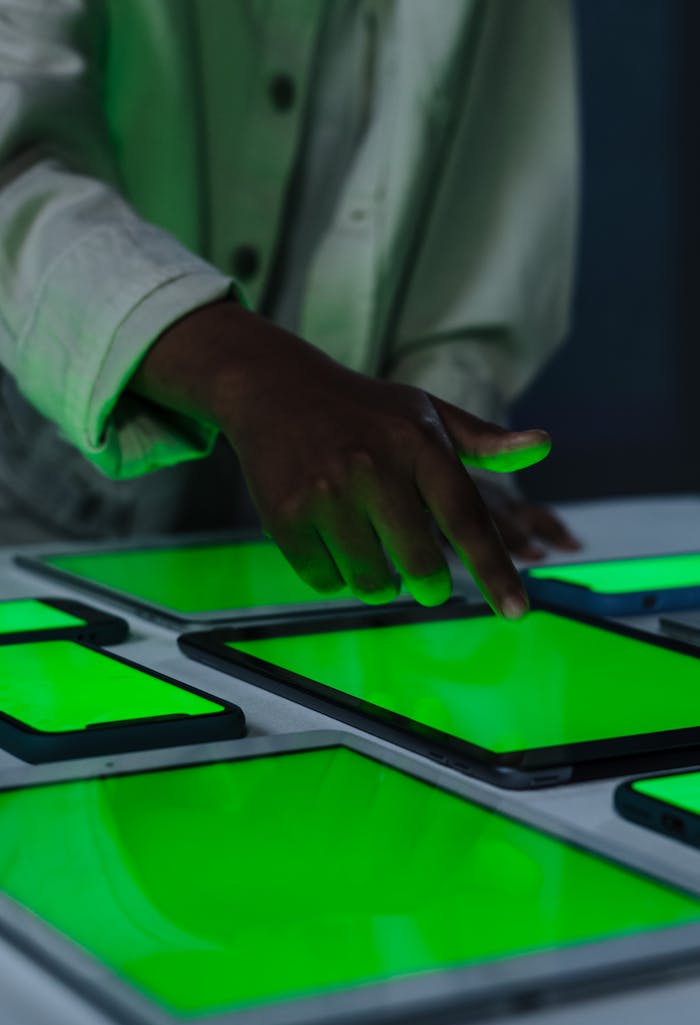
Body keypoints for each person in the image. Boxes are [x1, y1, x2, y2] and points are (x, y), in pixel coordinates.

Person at [0, 0, 579, 616]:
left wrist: (433, 469)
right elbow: (13, 163)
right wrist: (247, 373)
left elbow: (491, 192)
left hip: (348, 542)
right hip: (42, 507)